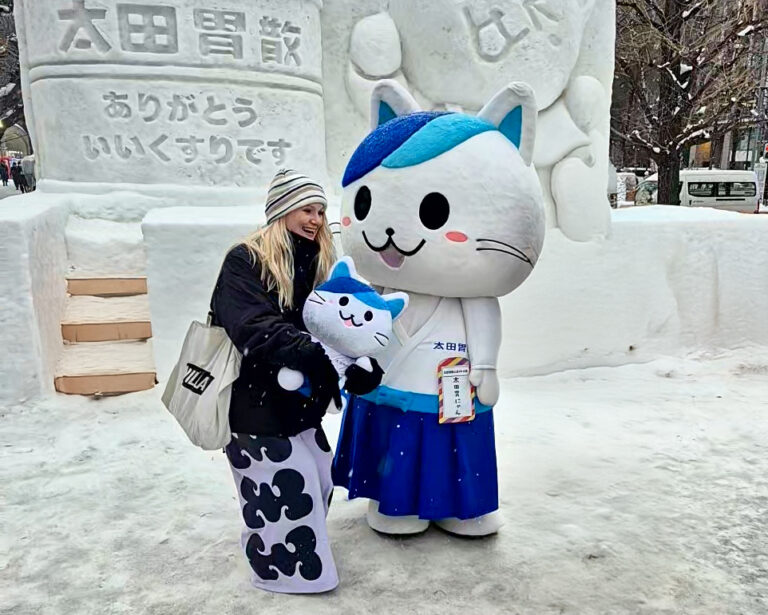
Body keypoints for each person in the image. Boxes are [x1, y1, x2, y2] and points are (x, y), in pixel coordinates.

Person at [210, 169, 381, 594]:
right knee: (289, 487)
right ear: (282, 210)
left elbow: (338, 326)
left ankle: (290, 550)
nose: (316, 220)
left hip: (300, 407)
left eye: (321, 211)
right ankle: (284, 570)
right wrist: (321, 354)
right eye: (307, 209)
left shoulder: (319, 267)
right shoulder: (244, 261)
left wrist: (359, 361)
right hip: (255, 407)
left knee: (319, 479)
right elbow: (254, 327)